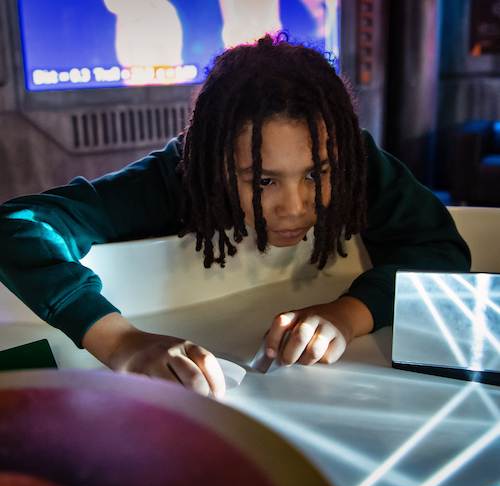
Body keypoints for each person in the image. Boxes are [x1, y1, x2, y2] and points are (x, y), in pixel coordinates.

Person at [0, 33, 470, 398]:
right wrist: (120, 342)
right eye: (263, 180)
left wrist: (346, 315)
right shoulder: (175, 179)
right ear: (213, 165)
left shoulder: (356, 161)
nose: (294, 206)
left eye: (316, 174)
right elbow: (18, 226)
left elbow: (440, 249)